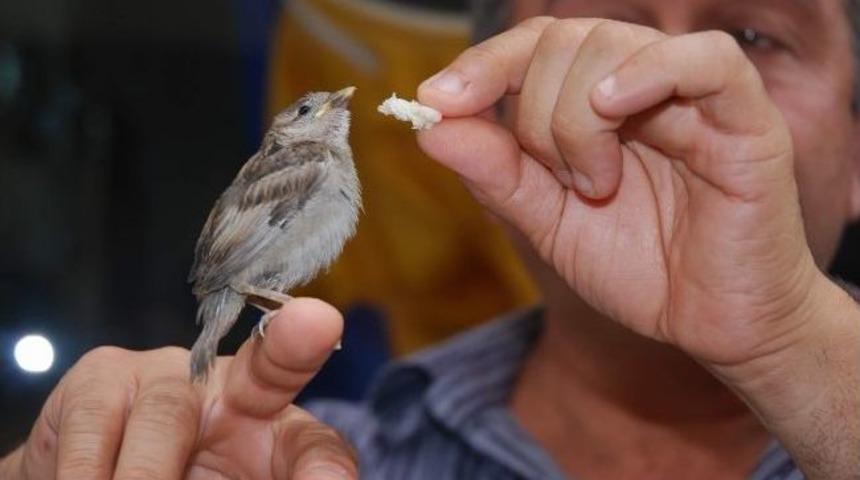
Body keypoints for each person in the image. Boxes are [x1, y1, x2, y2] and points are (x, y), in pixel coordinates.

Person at [3, 0, 860, 478]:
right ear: (489, 121)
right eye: (601, 32)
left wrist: (797, 351)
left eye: (755, 37)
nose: (664, 74)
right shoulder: (298, 456)